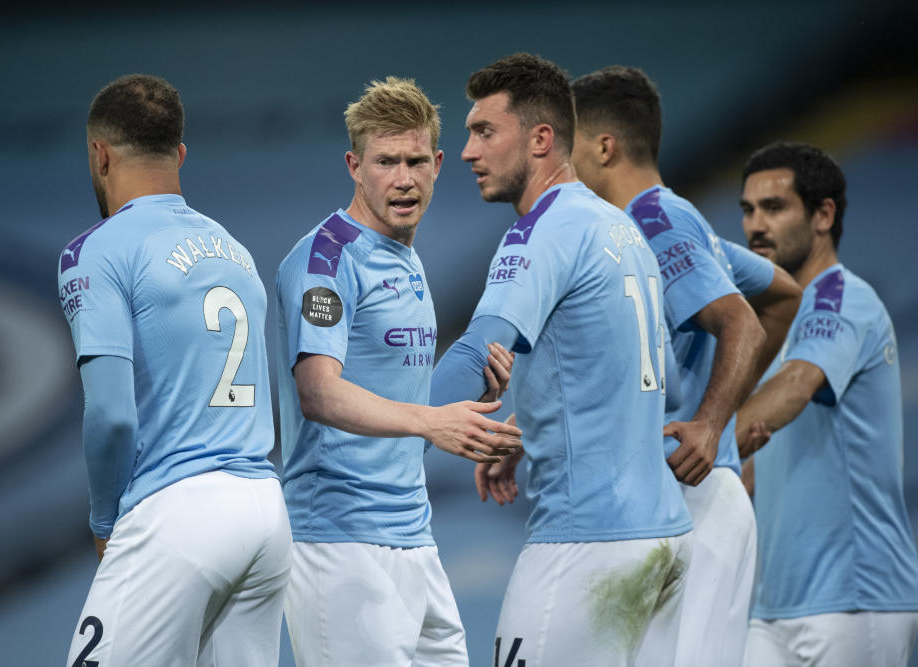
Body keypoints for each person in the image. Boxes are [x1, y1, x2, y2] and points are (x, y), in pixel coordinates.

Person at [443, 52, 693, 666]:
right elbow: (666, 386)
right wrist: (533, 430)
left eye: (483, 131)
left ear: (541, 139)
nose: (468, 152)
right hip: (664, 538)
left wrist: (386, 428)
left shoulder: (540, 232)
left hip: (587, 542)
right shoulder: (621, 229)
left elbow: (479, 351)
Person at [274, 76, 521, 667]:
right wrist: (432, 424)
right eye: (386, 162)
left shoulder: (402, 255)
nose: (404, 178)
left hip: (414, 536)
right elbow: (319, 393)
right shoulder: (327, 258)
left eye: (415, 160)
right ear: (354, 165)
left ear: (438, 163)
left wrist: (468, 403)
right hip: (339, 542)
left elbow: (399, 393)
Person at [570, 65, 802, 666]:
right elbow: (780, 293)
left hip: (696, 499)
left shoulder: (655, 221)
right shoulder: (668, 223)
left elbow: (745, 320)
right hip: (674, 498)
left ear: (603, 147)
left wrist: (713, 421)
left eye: (567, 147)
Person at [58, 74, 291, 666]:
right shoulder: (233, 250)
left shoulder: (97, 249)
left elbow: (111, 416)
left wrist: (104, 520)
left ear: (99, 153)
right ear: (180, 154)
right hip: (264, 509)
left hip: (179, 515)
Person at [736, 141, 918, 666]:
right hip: (774, 605)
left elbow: (796, 386)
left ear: (823, 215)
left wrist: (710, 437)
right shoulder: (777, 320)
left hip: (854, 599)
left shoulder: (840, 297)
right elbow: (759, 461)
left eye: (774, 207)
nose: (755, 225)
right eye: (748, 210)